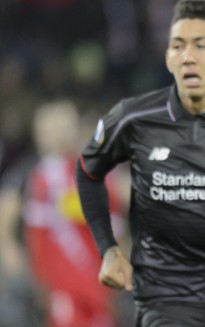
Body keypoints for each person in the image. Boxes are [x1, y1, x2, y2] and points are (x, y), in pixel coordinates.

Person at [75, 1, 205, 326]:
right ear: (169, 57)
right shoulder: (134, 118)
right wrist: (109, 249)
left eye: (201, 45)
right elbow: (88, 171)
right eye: (178, 46)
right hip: (166, 301)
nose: (188, 56)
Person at [0, 100, 126, 327]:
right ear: (38, 133)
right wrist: (13, 254)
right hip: (61, 282)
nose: (57, 135)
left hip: (97, 281)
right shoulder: (34, 174)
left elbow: (117, 221)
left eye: (63, 127)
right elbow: (9, 217)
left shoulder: (96, 172)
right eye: (50, 129)